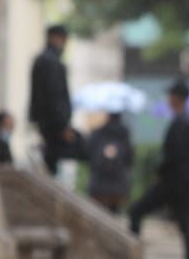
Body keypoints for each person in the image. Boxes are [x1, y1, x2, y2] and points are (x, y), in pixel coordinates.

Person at [128, 80, 189, 259]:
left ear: (177, 98)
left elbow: (175, 157)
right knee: (186, 229)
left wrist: (160, 170)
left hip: (173, 184)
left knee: (136, 211)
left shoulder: (181, 123)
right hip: (183, 186)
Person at [27, 24, 76, 174]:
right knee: (52, 161)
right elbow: (54, 95)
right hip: (53, 124)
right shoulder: (51, 62)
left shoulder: (42, 60)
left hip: (45, 122)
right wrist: (63, 124)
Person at [84, 111, 133, 215]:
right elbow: (130, 159)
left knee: (97, 215)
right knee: (113, 215)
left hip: (98, 184)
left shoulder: (97, 133)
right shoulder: (124, 134)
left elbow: (87, 153)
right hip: (119, 185)